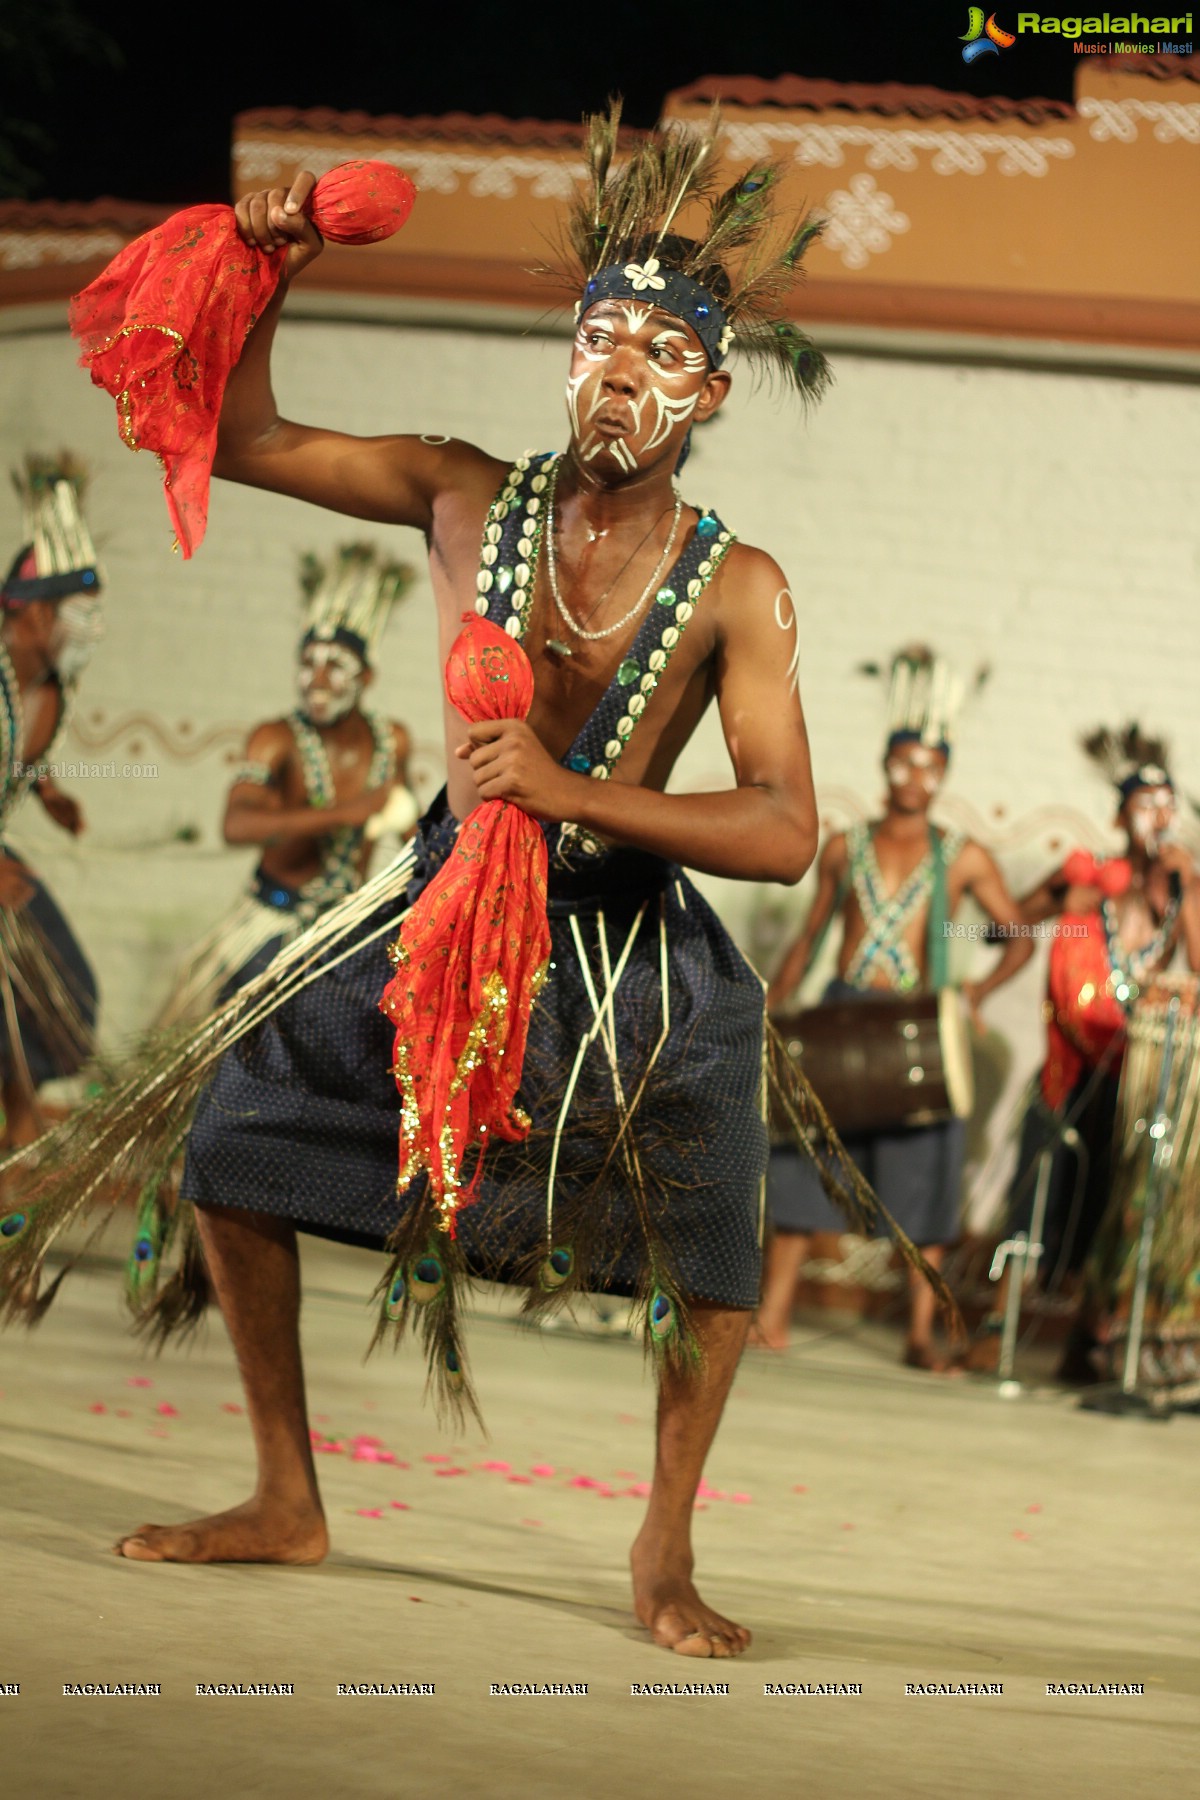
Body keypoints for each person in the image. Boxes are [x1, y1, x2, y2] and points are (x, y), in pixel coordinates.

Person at [4, 110, 852, 1659]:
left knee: (712, 1240)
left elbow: (789, 826)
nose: (622, 376)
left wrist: (572, 789)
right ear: (566, 353)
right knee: (237, 1128)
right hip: (439, 909)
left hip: (618, 952)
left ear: (714, 390)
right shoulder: (461, 491)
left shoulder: (742, 586)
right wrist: (275, 268)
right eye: (602, 339)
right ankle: (285, 1498)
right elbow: (251, 439)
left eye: (665, 352)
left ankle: (663, 1553)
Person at [756, 648, 1034, 1369]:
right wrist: (775, 1006)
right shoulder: (845, 846)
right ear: (887, 766)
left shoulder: (962, 856)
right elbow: (811, 936)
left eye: (930, 767)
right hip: (846, 1017)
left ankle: (920, 1331)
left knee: (925, 1175)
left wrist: (971, 990)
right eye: (905, 763)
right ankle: (775, 1315)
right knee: (807, 1156)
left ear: (944, 775)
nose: (916, 778)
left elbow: (1017, 937)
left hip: (919, 1025)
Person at [968, 727, 1200, 1380]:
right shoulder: (1085, 878)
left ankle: (1083, 1346)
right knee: (1035, 1191)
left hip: (1134, 1078)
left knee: (1107, 1202)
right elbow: (1001, 927)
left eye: (1166, 804)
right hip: (1065, 1069)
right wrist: (969, 926)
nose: (1156, 816)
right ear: (1119, 813)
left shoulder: (1178, 890)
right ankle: (997, 1326)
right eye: (1143, 804)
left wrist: (1182, 886)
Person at [159, 544, 417, 1025]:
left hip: (342, 931)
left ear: (367, 677)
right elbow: (237, 825)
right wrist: (346, 814)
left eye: (335, 666)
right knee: (240, 1054)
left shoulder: (392, 741)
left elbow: (410, 836)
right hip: (270, 929)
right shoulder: (274, 740)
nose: (316, 680)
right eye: (307, 663)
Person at [0, 457, 101, 1160]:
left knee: (70, 996)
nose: (95, 629)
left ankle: (19, 1112)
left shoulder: (51, 691)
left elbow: (16, 751)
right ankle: (21, 1115)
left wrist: (47, 789)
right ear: (35, 613)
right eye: (83, 614)